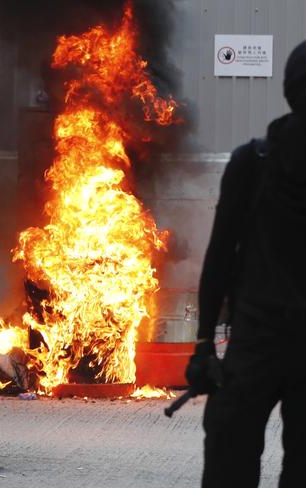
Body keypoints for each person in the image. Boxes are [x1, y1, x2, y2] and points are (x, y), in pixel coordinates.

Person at [186, 40, 306, 488]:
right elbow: (219, 257)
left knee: (228, 463)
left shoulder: (251, 162)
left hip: (255, 344)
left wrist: (203, 344)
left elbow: (219, 258)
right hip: (258, 342)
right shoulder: (253, 163)